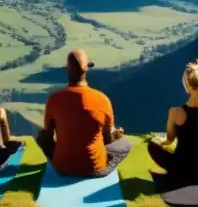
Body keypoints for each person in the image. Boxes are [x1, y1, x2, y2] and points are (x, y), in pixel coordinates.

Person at [36, 49, 133, 177]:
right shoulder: (102, 99)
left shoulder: (54, 98)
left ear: (68, 70)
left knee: (41, 136)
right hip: (96, 169)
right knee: (126, 144)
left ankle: (61, 159)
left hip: (62, 168)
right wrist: (117, 136)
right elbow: (107, 138)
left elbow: (47, 135)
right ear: (87, 69)